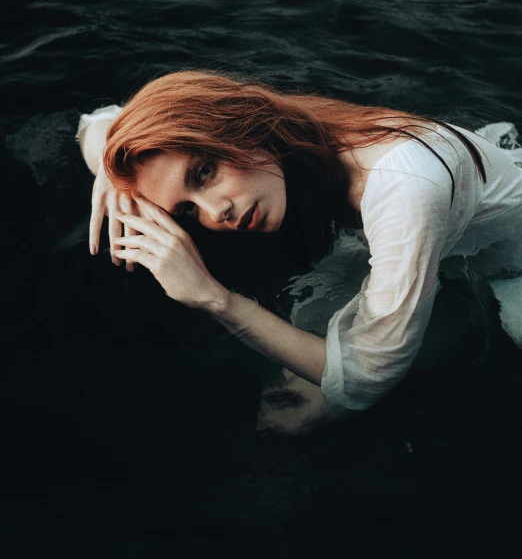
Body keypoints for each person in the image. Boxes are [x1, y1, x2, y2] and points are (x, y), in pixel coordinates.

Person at [77, 70, 522, 418]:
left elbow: (368, 379)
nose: (216, 214)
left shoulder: (404, 189)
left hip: (509, 259)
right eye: (187, 211)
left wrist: (213, 299)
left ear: (242, 123)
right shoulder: (292, 128)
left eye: (204, 172)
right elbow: (94, 122)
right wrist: (112, 177)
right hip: (428, 216)